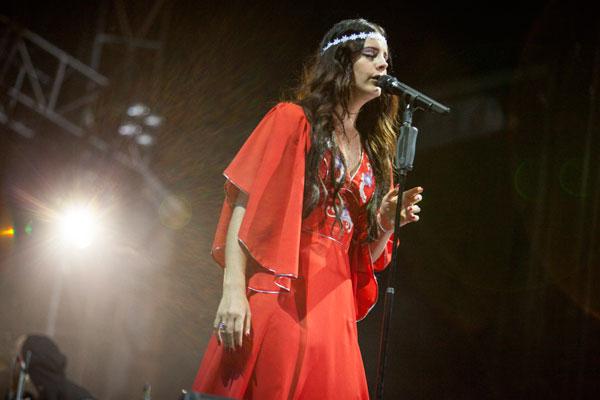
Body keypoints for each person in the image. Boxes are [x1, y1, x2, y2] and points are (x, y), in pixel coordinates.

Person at [192, 18, 424, 399]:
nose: (384, 65)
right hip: (280, 291)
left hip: (333, 309)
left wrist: (383, 224)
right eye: (371, 54)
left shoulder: (371, 158)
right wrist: (232, 292)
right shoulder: (292, 120)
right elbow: (243, 205)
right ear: (341, 61)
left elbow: (362, 258)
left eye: (387, 57)